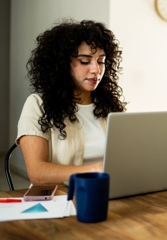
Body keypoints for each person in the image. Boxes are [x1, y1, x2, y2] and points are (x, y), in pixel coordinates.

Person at [16, 19, 127, 185]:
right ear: (62, 64)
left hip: (110, 191)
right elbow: (37, 173)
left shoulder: (110, 106)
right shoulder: (38, 105)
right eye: (85, 61)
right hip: (60, 198)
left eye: (101, 61)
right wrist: (93, 170)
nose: (96, 69)